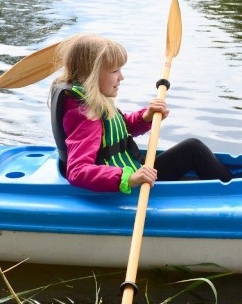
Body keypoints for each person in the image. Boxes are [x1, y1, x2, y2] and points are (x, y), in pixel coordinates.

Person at [49, 33, 232, 194]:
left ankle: (230, 188)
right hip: (127, 185)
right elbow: (78, 171)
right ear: (92, 74)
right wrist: (128, 178)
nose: (121, 77)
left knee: (192, 148)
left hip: (134, 170)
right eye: (114, 71)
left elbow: (116, 128)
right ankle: (232, 195)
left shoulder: (93, 101)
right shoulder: (84, 114)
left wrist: (146, 116)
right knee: (194, 149)